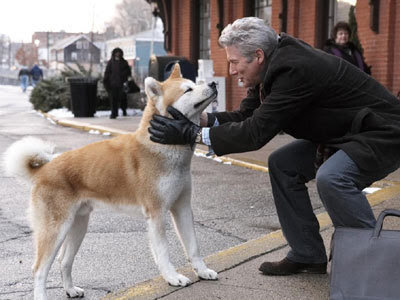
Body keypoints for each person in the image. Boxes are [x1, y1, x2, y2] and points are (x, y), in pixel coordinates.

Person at [148, 17, 400, 276]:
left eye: (234, 62)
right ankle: (308, 254)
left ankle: (376, 262)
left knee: (333, 178)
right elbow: (245, 117)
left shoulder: (293, 70)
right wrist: (198, 120)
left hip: (382, 132)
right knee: (283, 164)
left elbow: (255, 133)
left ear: (257, 56)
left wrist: (192, 135)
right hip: (345, 133)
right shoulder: (271, 66)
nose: (232, 70)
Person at [103, 47, 132, 119]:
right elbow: (107, 73)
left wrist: (124, 77)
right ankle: (114, 113)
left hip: (122, 84)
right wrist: (106, 82)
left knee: (123, 98)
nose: (117, 54)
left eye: (119, 52)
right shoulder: (110, 62)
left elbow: (128, 72)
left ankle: (124, 110)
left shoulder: (124, 62)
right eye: (116, 52)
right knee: (113, 100)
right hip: (113, 84)